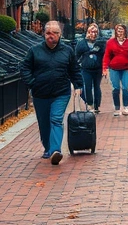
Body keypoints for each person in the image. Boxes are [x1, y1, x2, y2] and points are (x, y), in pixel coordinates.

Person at [20, 20, 83, 165]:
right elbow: (25, 68)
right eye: (48, 33)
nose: (51, 36)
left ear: (60, 35)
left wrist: (78, 85)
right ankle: (48, 148)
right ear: (44, 34)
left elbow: (74, 69)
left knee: (56, 119)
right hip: (40, 93)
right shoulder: (34, 51)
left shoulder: (67, 51)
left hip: (61, 92)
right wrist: (31, 83)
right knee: (44, 123)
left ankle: (56, 150)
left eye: (55, 33)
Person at [102, 23, 128, 116]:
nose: (119, 32)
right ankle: (117, 108)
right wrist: (105, 67)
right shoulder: (110, 42)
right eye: (118, 30)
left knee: (125, 88)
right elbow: (107, 55)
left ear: (125, 31)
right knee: (115, 88)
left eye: (121, 30)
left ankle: (126, 107)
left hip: (126, 68)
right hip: (114, 68)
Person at [74, 23, 105, 113]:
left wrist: (104, 67)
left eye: (95, 32)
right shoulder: (82, 43)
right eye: (91, 32)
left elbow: (104, 55)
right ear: (88, 32)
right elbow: (76, 56)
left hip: (98, 69)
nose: (93, 34)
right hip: (86, 69)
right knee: (87, 87)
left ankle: (96, 106)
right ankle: (89, 104)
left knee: (97, 87)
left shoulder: (101, 43)